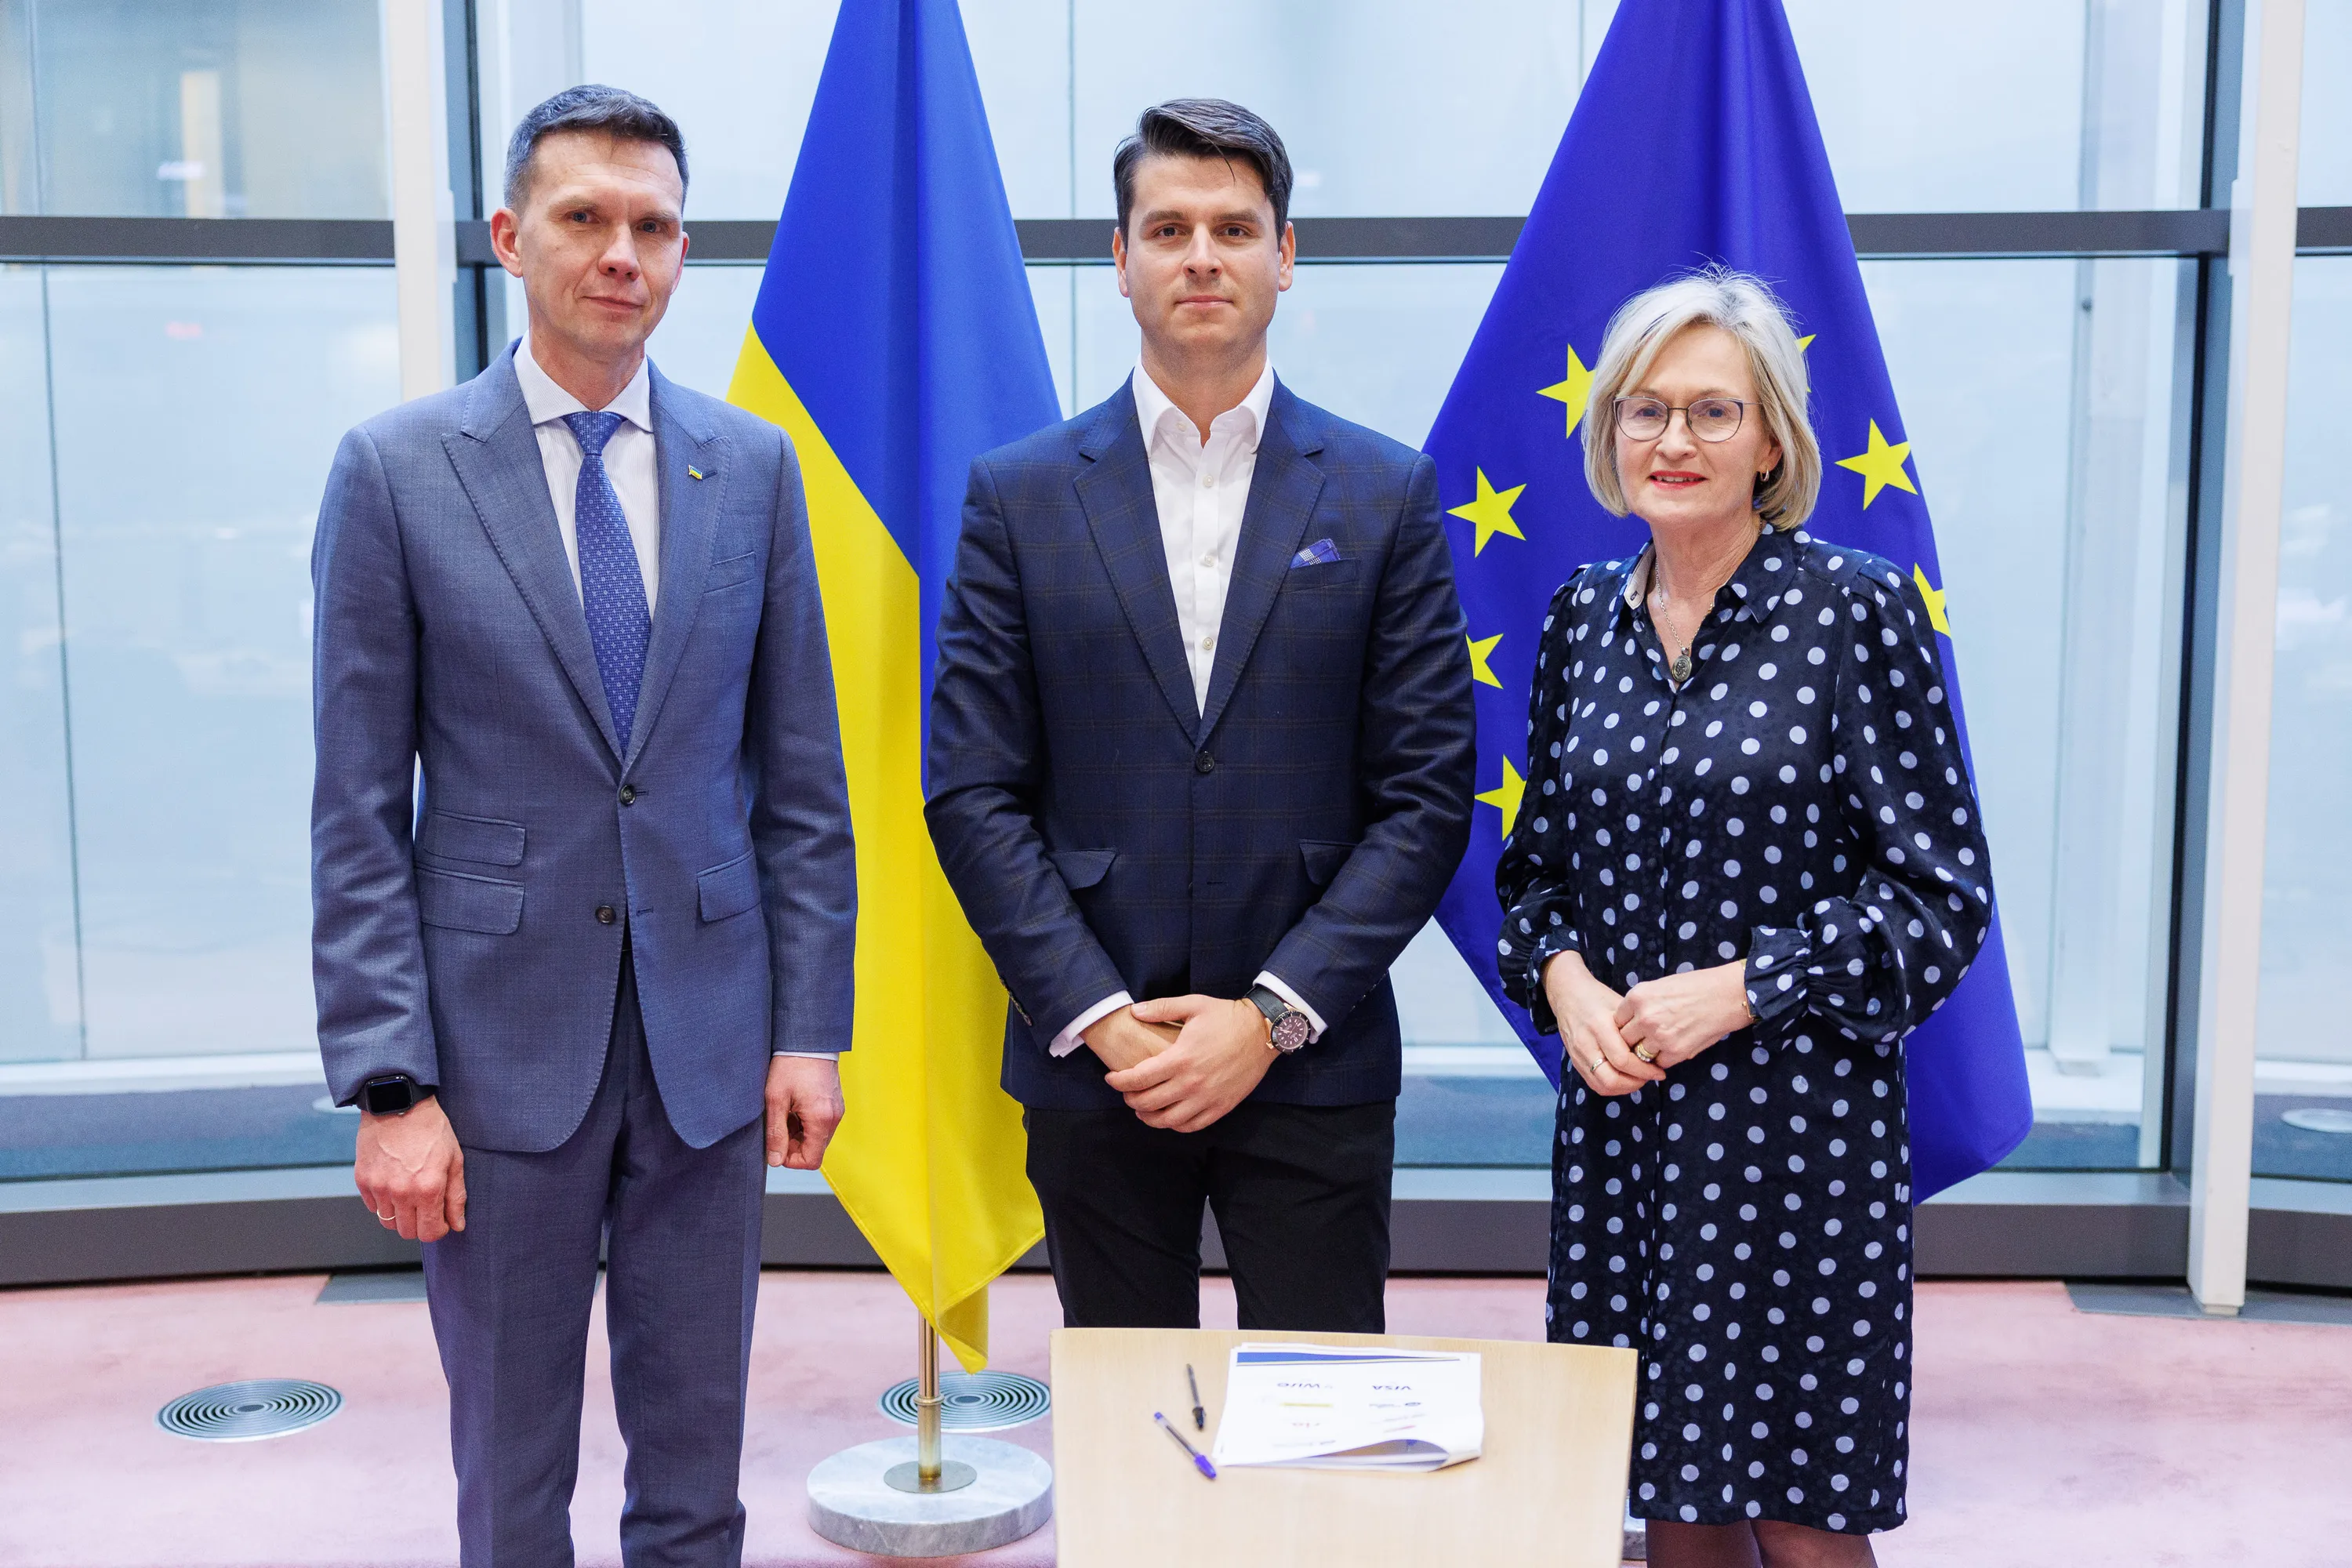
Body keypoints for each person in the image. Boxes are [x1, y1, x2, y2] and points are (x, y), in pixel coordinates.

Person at [310, 85, 855, 1564]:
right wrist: (390, 1085)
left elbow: (803, 783)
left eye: (654, 226)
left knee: (699, 1468)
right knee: (511, 1472)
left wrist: (811, 1027)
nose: (623, 252)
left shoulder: (752, 468)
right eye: (585, 218)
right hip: (492, 1057)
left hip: (709, 1049)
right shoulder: (397, 470)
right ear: (510, 237)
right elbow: (356, 810)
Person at [925, 99, 1475, 1333]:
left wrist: (1271, 1017)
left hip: (1315, 1057)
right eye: (1168, 229)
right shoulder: (1018, 497)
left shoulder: (1385, 492)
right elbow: (972, 788)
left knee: (1323, 1420)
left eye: (1234, 228)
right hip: (1097, 1065)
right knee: (1134, 1425)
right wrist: (1100, 1018)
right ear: (1121, 260)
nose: (1202, 257)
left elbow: (1428, 795)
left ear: (1285, 255)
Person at [1494, 268, 1993, 1568]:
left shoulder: (1856, 611)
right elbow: (1533, 876)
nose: (1675, 439)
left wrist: (1745, 988)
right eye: (1646, 409)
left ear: (1772, 440)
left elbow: (1940, 898)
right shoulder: (1579, 622)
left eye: (1713, 411)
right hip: (1623, 1144)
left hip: (1797, 1147)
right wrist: (1565, 983)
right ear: (1610, 431)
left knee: (1802, 1517)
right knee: (1674, 1506)